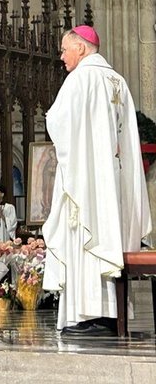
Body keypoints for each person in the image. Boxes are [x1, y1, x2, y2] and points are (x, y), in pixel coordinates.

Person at [42, 25, 152, 335]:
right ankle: (113, 314)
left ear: (80, 47)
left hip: (88, 182)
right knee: (109, 238)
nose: (61, 56)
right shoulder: (118, 81)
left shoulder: (81, 78)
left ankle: (88, 314)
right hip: (113, 182)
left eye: (64, 49)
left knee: (86, 239)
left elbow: (58, 122)